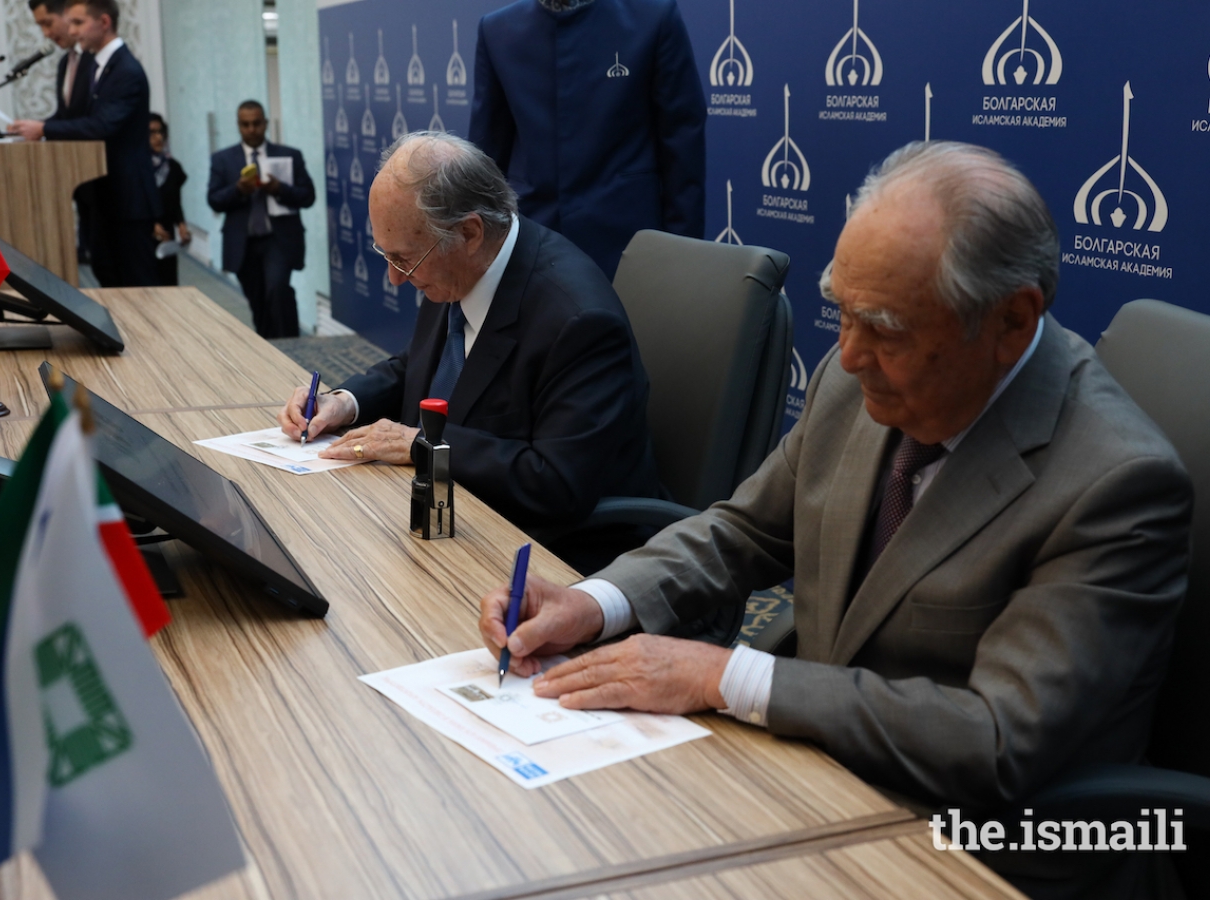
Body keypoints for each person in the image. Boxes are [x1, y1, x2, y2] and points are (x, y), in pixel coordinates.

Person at [478, 141, 1193, 898]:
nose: (847, 356)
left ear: (1012, 321)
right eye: (842, 313)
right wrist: (594, 602)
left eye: (884, 329)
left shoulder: (1117, 483)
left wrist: (729, 673)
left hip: (980, 852)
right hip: (814, 777)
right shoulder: (859, 381)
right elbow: (745, 530)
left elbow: (996, 739)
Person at [278, 131, 666, 569]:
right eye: (386, 256)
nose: (395, 278)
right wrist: (342, 403)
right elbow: (418, 367)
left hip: (557, 555)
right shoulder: (451, 261)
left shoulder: (578, 323)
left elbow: (556, 483)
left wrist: (421, 443)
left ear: (469, 232)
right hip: (460, 516)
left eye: (403, 260)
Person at [468, 0, 706, 280]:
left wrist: (682, 255)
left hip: (629, 248)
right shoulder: (497, 30)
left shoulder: (653, 19)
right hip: (532, 248)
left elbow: (682, 146)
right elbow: (486, 158)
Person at [10, 0, 160, 288]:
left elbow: (102, 126)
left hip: (126, 195)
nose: (72, 29)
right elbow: (79, 118)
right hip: (102, 191)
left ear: (103, 22)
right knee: (109, 276)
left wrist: (44, 128)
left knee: (138, 284)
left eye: (78, 23)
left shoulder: (126, 69)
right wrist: (39, 129)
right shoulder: (98, 66)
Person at [207, 101, 315, 338]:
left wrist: (279, 189)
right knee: (258, 303)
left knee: (277, 290)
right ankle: (268, 348)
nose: (252, 129)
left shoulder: (289, 155)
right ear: (238, 126)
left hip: (279, 240)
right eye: (246, 124)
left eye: (256, 123)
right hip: (243, 243)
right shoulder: (223, 160)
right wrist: (238, 190)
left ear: (265, 123)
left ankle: (290, 346)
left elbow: (308, 196)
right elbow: (214, 200)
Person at [27, 0, 95, 263]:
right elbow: (66, 117)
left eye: (48, 23)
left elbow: (94, 122)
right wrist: (34, 130)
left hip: (105, 180)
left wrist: (44, 128)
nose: (46, 33)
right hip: (80, 183)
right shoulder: (66, 63)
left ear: (67, 15)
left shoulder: (97, 61)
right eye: (40, 26)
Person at [149, 113, 190, 286]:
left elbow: (175, 201)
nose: (158, 137)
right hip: (142, 235)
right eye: (151, 133)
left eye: (161, 132)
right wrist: (150, 225)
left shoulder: (172, 166)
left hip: (166, 236)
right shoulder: (137, 168)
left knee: (169, 284)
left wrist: (181, 224)